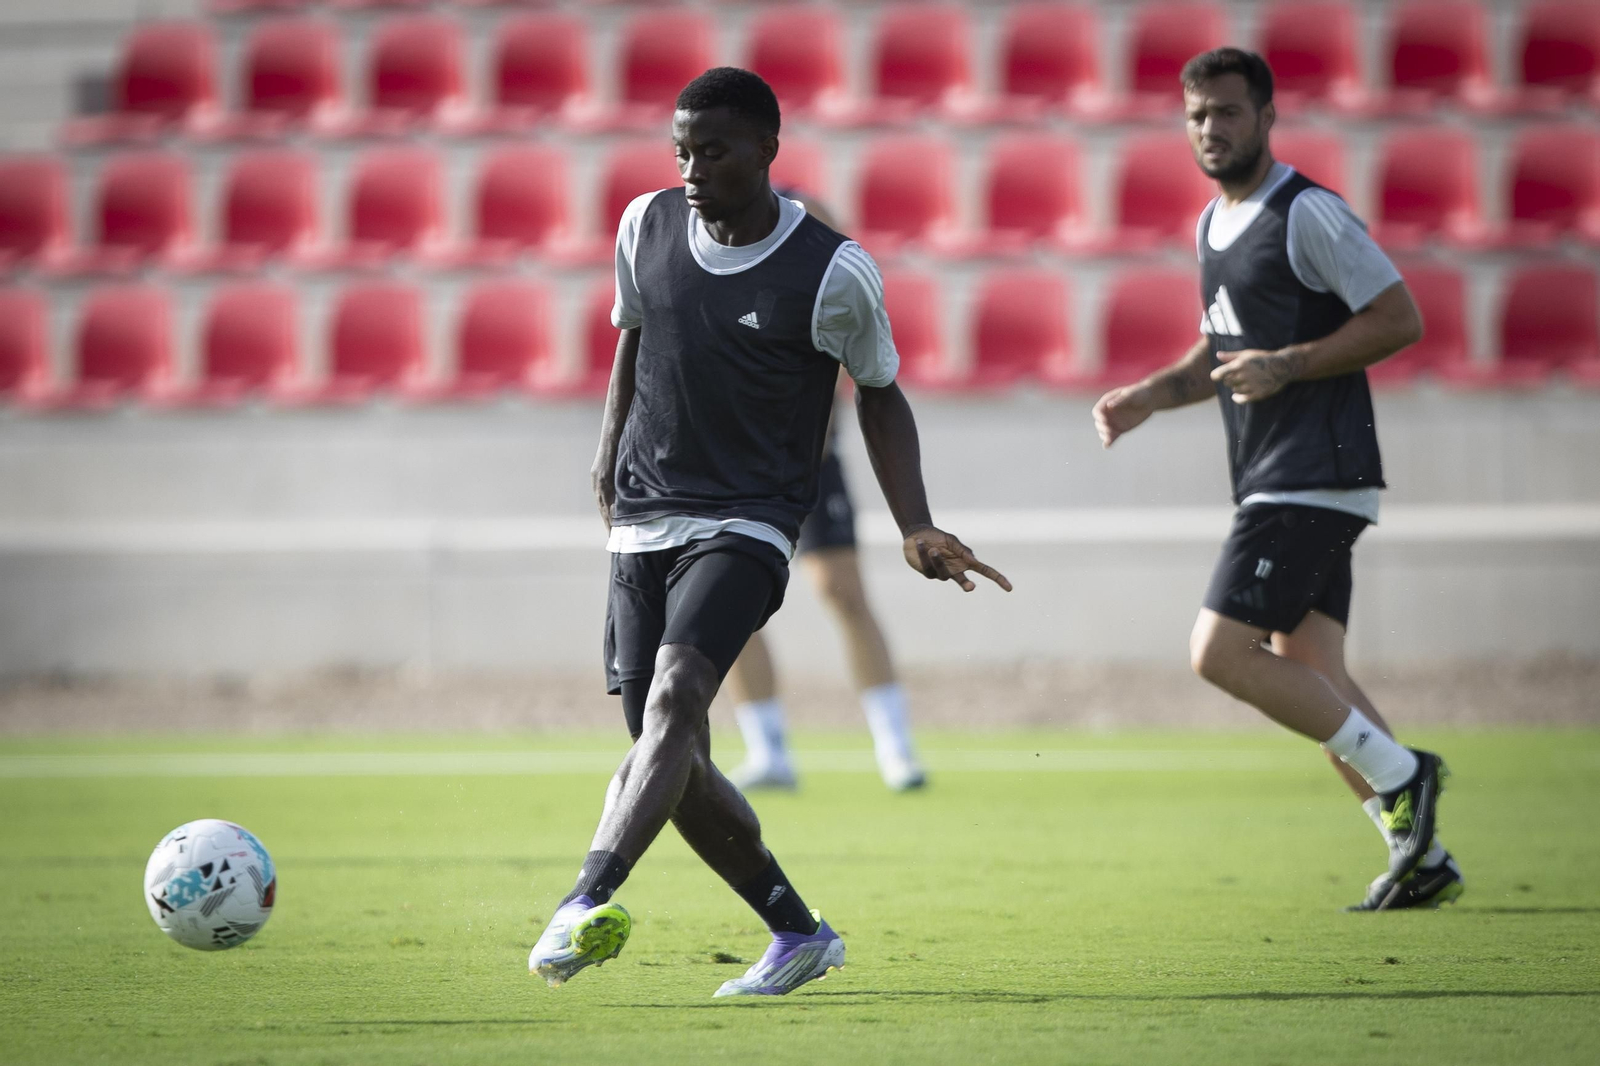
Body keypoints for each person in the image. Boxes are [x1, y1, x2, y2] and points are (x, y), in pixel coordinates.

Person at [529, 68, 1011, 999]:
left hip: (749, 518)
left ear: (767, 152)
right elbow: (633, 335)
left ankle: (584, 898)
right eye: (681, 149)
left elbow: (880, 393)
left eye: (713, 150)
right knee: (670, 758)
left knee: (673, 703)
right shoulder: (643, 225)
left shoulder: (832, 270)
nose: (692, 168)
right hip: (641, 514)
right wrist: (604, 455)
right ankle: (797, 931)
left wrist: (915, 522)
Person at [1091, 48, 1462, 912]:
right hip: (1275, 474)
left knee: (1218, 653)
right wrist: (1151, 394)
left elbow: (1399, 317)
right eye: (1197, 116)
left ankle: (1407, 775)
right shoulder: (1210, 224)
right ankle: (1424, 853)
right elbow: (1222, 356)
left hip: (1313, 474)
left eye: (1227, 112)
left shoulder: (1309, 213)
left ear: (1266, 116)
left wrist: (1293, 362)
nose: (1211, 129)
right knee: (1315, 675)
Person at [725, 191, 927, 795]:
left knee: (841, 590)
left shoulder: (821, 257)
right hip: (733, 460)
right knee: (731, 603)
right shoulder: (719, 258)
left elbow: (852, 354)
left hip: (806, 453)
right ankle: (769, 750)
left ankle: (895, 746)